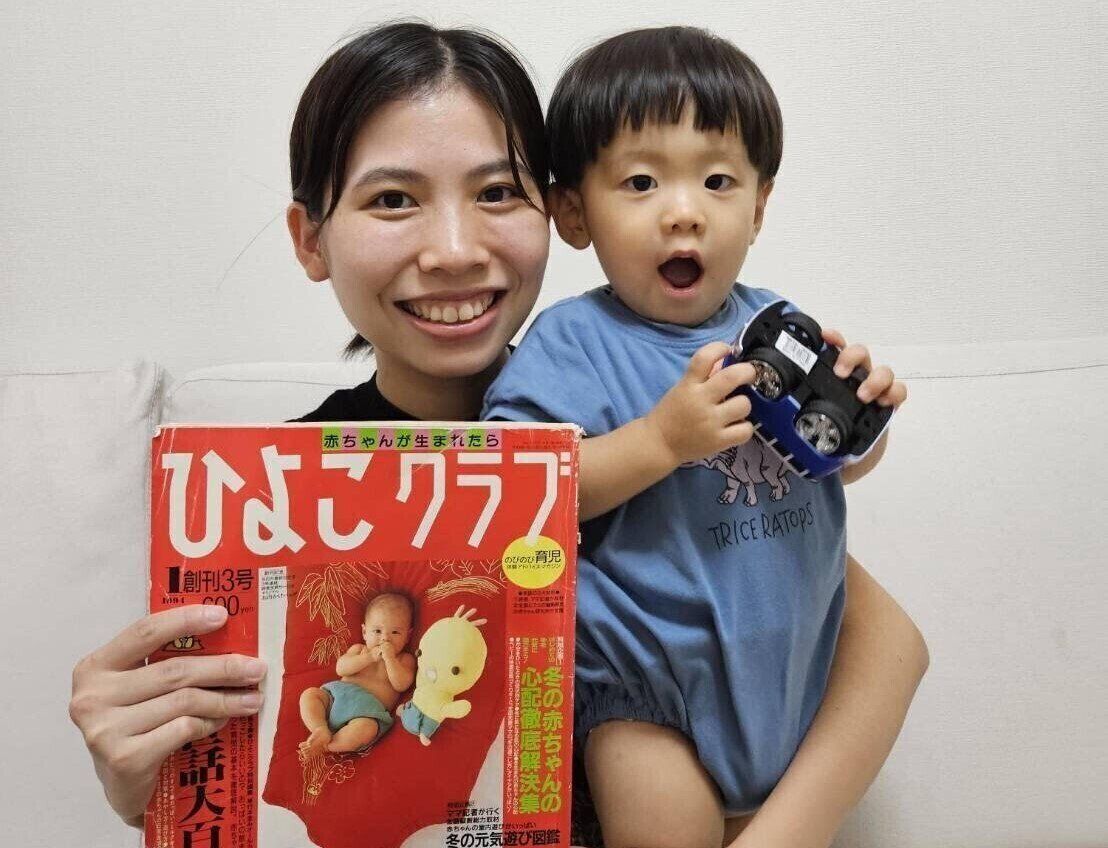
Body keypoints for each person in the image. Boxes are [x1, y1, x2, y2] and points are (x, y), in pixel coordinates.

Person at [67, 21, 927, 847]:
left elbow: (881, 639)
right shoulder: (277, 496)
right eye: (393, 199)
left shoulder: (644, 401)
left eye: (495, 193)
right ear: (311, 239)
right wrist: (143, 778)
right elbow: (265, 760)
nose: (454, 250)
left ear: (553, 212)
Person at [482, 25, 919, 848]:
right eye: (641, 182)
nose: (684, 211)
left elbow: (831, 469)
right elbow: (518, 494)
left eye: (718, 181)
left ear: (758, 206)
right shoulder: (573, 344)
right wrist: (659, 441)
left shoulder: (777, 327)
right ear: (574, 211)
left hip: (792, 672)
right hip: (647, 688)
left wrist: (862, 423)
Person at [298, 592, 416, 757]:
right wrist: (368, 658)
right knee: (310, 695)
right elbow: (341, 669)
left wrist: (390, 659)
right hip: (335, 698)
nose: (385, 639)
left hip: (366, 713)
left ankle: (327, 746)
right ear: (364, 632)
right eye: (377, 631)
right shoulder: (359, 650)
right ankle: (320, 728)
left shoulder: (404, 659)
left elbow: (402, 684)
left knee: (367, 730)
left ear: (408, 636)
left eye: (395, 632)